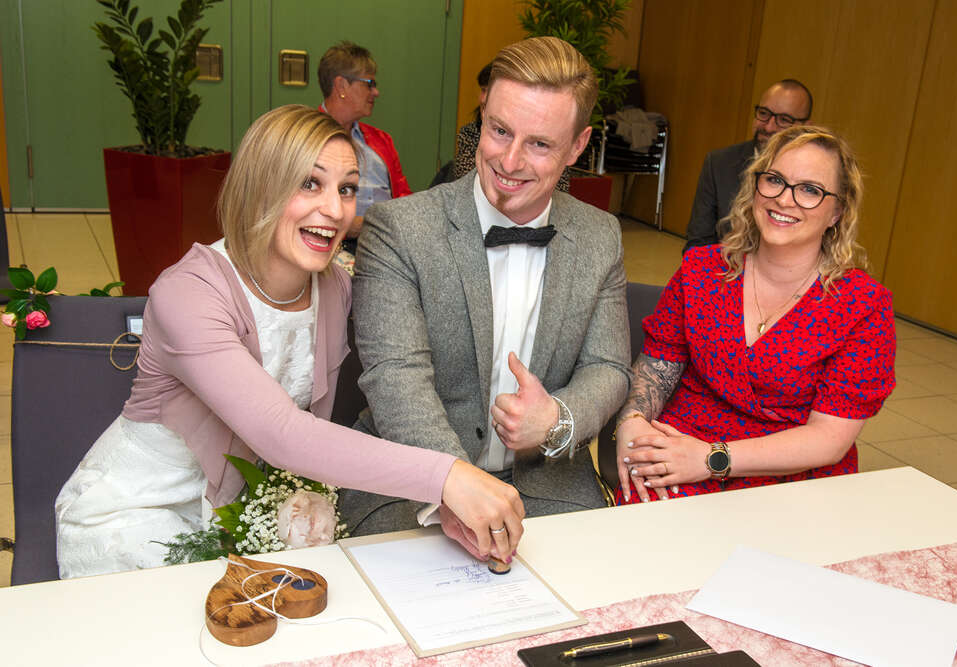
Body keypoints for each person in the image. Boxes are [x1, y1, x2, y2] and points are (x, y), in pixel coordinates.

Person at [55, 105, 524, 579]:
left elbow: (355, 402)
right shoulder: (189, 292)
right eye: (309, 183)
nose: (336, 210)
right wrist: (447, 478)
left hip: (240, 516)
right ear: (261, 186)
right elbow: (284, 435)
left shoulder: (334, 288)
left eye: (346, 189)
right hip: (139, 513)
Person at [345, 37, 631, 548]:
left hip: (549, 486)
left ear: (578, 146)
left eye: (540, 144)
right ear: (483, 113)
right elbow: (396, 376)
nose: (510, 160)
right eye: (499, 131)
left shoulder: (600, 235)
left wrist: (556, 420)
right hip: (411, 483)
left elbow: (608, 368)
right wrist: (453, 484)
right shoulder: (400, 228)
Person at [614, 125, 895, 504]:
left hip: (791, 478)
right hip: (680, 455)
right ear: (755, 187)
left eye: (810, 190)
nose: (785, 199)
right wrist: (632, 422)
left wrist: (712, 458)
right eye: (775, 180)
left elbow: (828, 439)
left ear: (837, 211)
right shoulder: (702, 270)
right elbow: (655, 368)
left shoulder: (863, 306)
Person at [684, 79, 812, 253]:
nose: (769, 126)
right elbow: (698, 243)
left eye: (784, 120)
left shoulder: (814, 177)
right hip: (727, 272)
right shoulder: (719, 163)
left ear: (806, 127)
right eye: (764, 113)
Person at [318, 41, 411, 258]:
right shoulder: (304, 138)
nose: (376, 92)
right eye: (369, 83)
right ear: (341, 86)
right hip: (331, 245)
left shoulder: (382, 140)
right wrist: (363, 225)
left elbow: (405, 198)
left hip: (388, 244)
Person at [450, 64, 571, 192]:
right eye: (501, 132)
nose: (509, 165)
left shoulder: (558, 141)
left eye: (540, 144)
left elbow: (558, 188)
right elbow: (469, 179)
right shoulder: (469, 133)